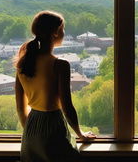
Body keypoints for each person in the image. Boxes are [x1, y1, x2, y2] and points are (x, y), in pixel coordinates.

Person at [15, 10, 96, 162]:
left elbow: (20, 108)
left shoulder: (23, 63)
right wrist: (80, 134)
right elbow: (67, 106)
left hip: (30, 131)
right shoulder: (60, 65)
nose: (64, 33)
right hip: (53, 127)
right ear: (55, 33)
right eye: (62, 29)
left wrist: (30, 131)